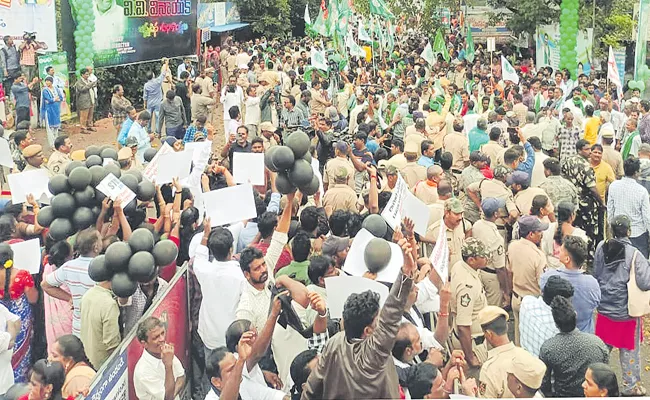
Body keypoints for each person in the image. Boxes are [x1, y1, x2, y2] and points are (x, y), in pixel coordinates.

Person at [301, 236, 417, 399]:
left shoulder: (334, 343)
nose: (381, 321)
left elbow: (312, 390)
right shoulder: (374, 352)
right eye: (378, 319)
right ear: (368, 330)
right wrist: (405, 274)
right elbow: (392, 313)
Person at [593, 215, 650, 396]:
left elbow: (596, 272)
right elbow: (645, 282)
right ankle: (630, 386)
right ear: (629, 231)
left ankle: (596, 380)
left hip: (604, 309)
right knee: (629, 353)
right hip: (626, 312)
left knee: (602, 349)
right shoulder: (634, 254)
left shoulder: (601, 247)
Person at [539, 296, 609, 397]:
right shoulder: (598, 343)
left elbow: (545, 383)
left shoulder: (548, 348)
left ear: (556, 323)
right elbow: (604, 374)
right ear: (575, 316)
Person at [42, 229, 102, 338]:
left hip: (77, 328)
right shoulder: (101, 269)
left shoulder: (68, 267)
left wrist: (70, 298)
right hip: (97, 329)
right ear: (96, 247)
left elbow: (45, 285)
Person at [506, 215, 548, 346]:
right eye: (539, 231)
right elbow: (542, 284)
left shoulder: (512, 246)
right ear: (531, 234)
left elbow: (509, 272)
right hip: (532, 302)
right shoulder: (538, 256)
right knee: (532, 341)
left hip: (516, 298)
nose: (541, 234)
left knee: (519, 339)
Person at [449, 238, 489, 368]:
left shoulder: (459, 266)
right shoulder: (468, 286)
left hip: (471, 339)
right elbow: (463, 326)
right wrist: (471, 358)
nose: (487, 258)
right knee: (477, 382)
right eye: (483, 256)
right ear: (471, 260)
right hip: (472, 344)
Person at [0, 243, 37, 383]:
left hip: (1, 319)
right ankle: (18, 385)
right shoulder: (22, 276)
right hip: (21, 319)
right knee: (22, 353)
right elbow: (33, 299)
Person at [478, 306, 533, 398]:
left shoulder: (489, 369)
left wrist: (469, 393)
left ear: (489, 334)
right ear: (506, 326)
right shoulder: (525, 355)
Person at [519, 275, 574, 357]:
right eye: (569, 301)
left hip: (525, 359)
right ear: (559, 303)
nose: (570, 304)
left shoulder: (526, 303)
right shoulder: (557, 327)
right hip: (544, 367)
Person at [607, 156, 650, 258]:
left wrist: (611, 228)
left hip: (619, 232)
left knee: (620, 263)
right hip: (637, 234)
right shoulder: (642, 191)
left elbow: (610, 210)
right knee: (639, 266)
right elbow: (646, 217)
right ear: (636, 173)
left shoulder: (613, 186)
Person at [133, 317, 186, 400]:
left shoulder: (165, 351)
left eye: (162, 333)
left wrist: (172, 394)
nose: (162, 339)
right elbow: (168, 398)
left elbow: (181, 377)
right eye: (156, 337)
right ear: (144, 344)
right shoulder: (143, 371)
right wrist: (168, 366)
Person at [472, 198, 507, 307]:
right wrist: (506, 291)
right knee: (493, 310)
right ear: (496, 214)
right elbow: (500, 269)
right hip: (491, 275)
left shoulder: (477, 225)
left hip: (478, 271)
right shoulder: (497, 238)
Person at [203, 331, 255, 400]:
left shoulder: (243, 383)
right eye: (231, 369)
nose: (238, 371)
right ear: (216, 381)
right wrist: (241, 360)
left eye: (236, 366)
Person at [42, 241, 73, 352]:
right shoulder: (70, 273)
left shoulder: (47, 268)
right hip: (69, 317)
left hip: (53, 320)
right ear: (68, 257)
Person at [143, 64, 169, 134]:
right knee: (158, 117)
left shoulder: (146, 85)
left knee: (148, 117)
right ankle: (158, 131)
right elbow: (163, 73)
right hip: (158, 102)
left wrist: (145, 104)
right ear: (153, 76)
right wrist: (166, 64)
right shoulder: (158, 81)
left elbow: (145, 96)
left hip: (149, 102)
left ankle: (148, 130)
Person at [0, 302, 19, 395]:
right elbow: (10, 343)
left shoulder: (1, 307)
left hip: (6, 385)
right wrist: (10, 324)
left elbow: (17, 321)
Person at [40, 76, 64, 147]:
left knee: (56, 128)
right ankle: (52, 144)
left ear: (51, 82)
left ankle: (57, 143)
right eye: (46, 81)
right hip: (49, 110)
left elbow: (60, 97)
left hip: (56, 110)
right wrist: (54, 99)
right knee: (50, 128)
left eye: (48, 81)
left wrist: (54, 99)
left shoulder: (56, 88)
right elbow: (48, 99)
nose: (47, 82)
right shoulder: (45, 90)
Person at [74, 67, 98, 134]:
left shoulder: (89, 81)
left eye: (88, 74)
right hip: (83, 102)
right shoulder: (79, 82)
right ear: (82, 75)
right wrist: (90, 84)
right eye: (86, 74)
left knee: (90, 114)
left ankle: (89, 125)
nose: (87, 76)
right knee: (83, 116)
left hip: (91, 100)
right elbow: (82, 89)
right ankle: (83, 128)